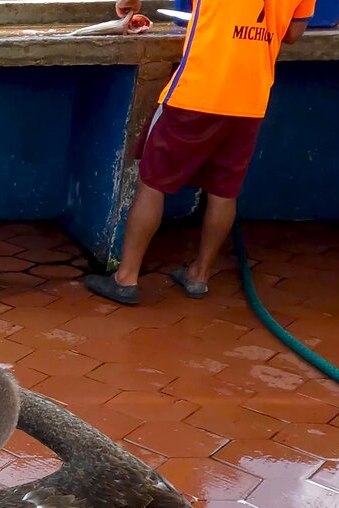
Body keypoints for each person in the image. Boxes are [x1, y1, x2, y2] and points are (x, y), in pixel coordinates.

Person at [85, 0, 313, 305]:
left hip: (196, 93)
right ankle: (199, 275)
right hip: (250, 99)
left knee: (152, 182)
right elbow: (294, 33)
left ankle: (125, 278)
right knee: (224, 190)